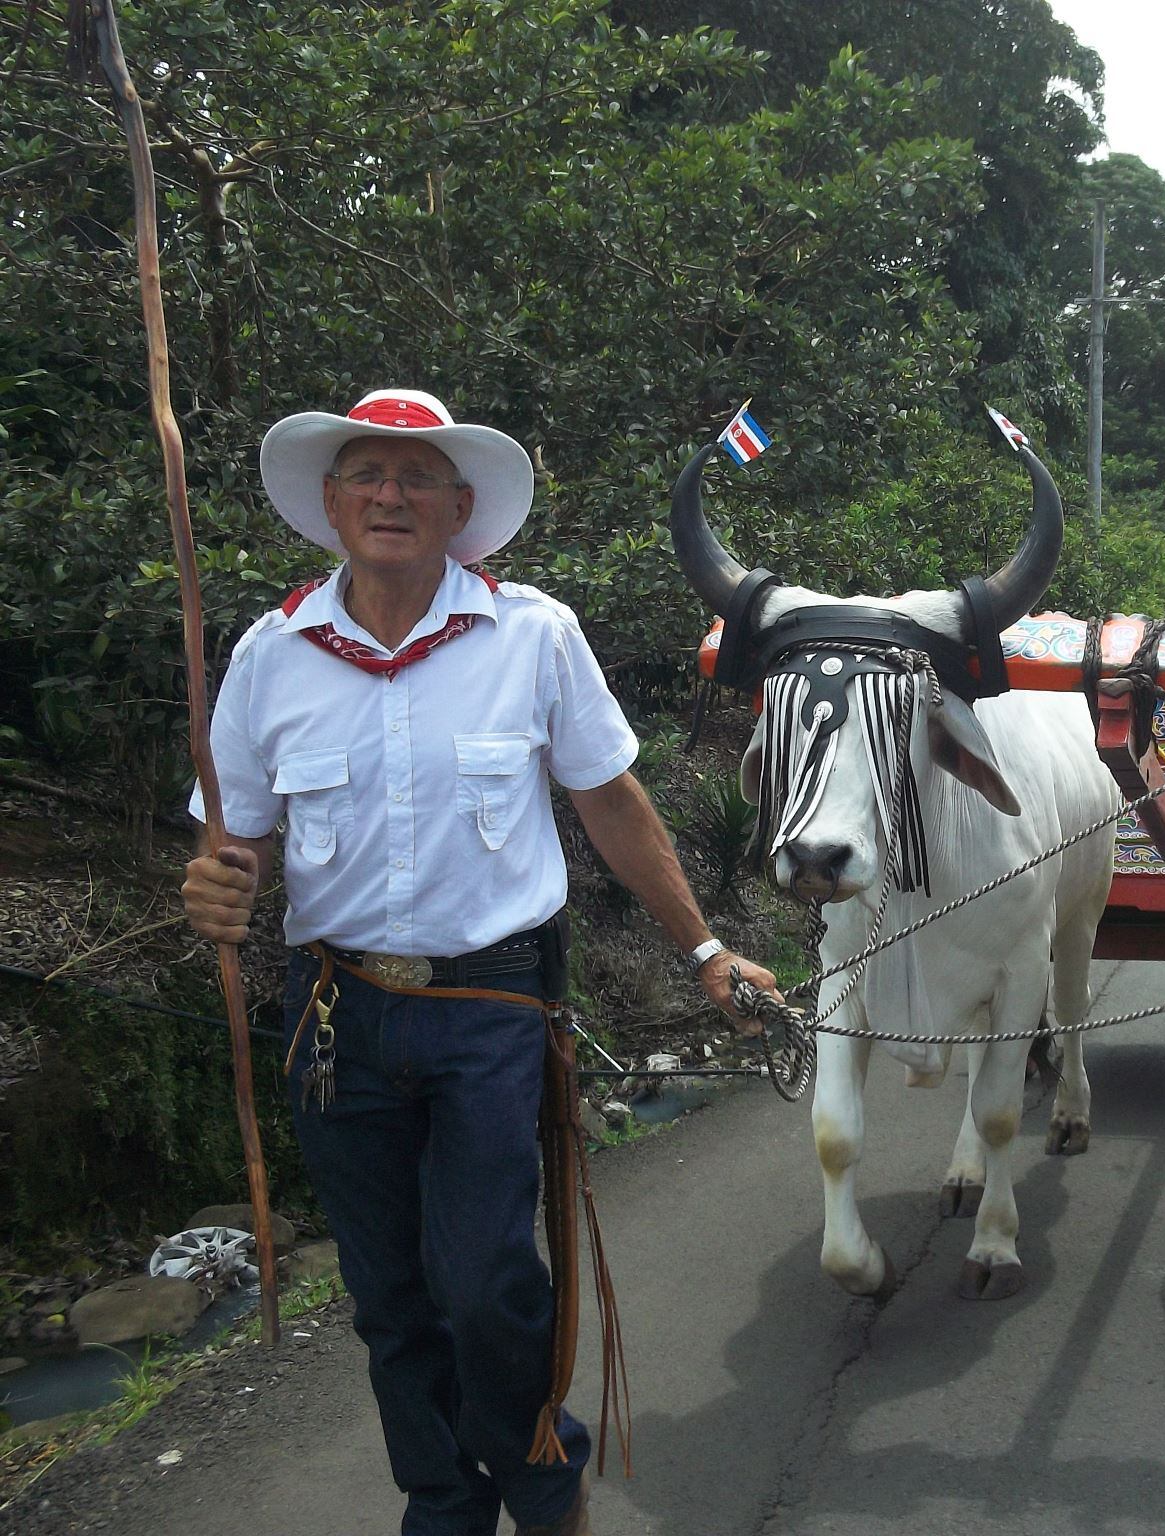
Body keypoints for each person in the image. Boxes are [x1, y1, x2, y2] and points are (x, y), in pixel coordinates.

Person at [180, 387, 780, 1536]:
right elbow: (236, 832)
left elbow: (609, 800)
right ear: (330, 501)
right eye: (366, 473)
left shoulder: (532, 635)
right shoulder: (271, 651)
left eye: (416, 478)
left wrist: (704, 949)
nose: (389, 495)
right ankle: (442, 1506)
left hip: (492, 1008)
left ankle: (543, 1489)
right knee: (391, 1301)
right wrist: (217, 879)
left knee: (484, 1284)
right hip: (337, 1015)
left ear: (461, 508)